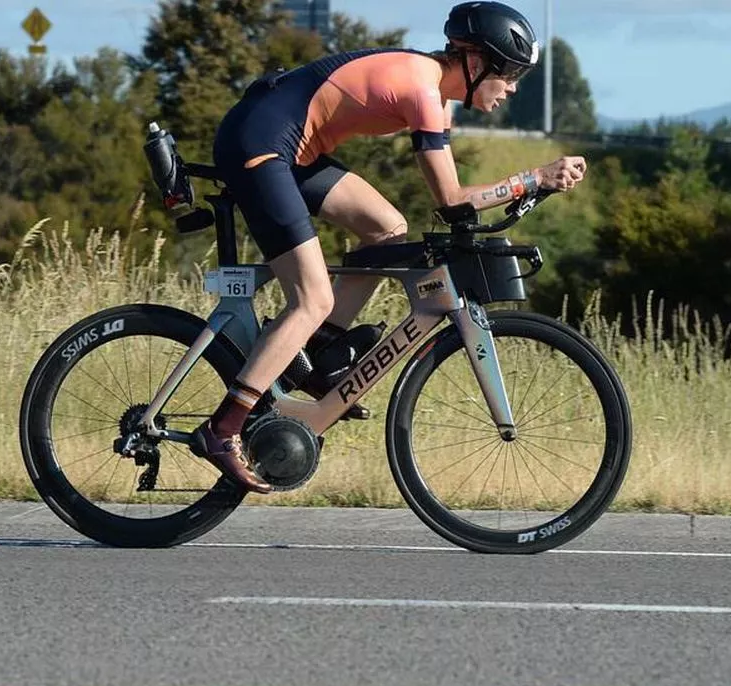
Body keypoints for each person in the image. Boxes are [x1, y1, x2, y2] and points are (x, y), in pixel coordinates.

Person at [193, 1, 588, 492]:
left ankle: (313, 359)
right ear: (472, 60)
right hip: (260, 143)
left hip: (292, 148)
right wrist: (532, 177)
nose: (511, 88)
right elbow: (450, 198)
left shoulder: (439, 100)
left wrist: (531, 188)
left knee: (385, 229)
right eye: (507, 73)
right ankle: (222, 429)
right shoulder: (423, 89)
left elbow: (457, 209)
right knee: (311, 297)